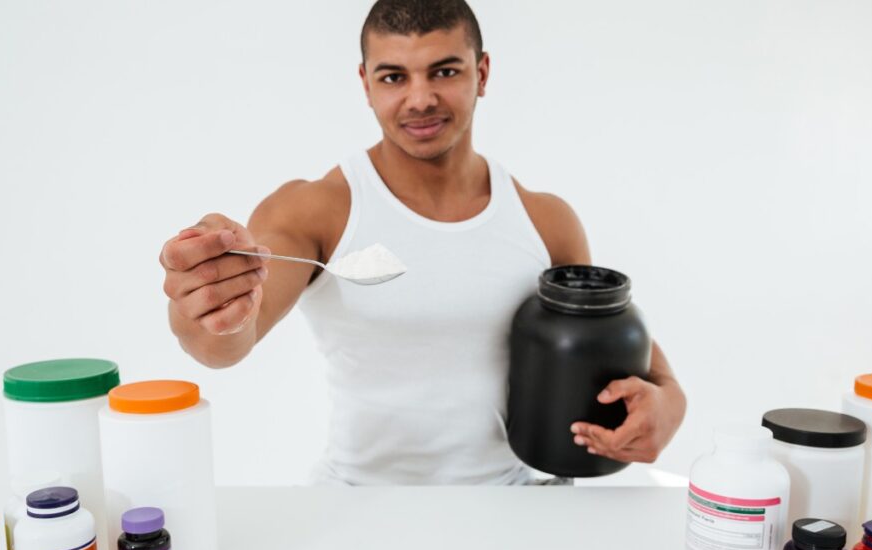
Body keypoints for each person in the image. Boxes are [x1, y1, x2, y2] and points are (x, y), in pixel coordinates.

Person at [159, 0, 686, 485]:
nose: (420, 99)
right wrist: (206, 303)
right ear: (366, 85)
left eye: (445, 71)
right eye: (394, 77)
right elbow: (226, 341)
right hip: (359, 505)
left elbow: (608, 341)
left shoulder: (546, 219)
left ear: (482, 73)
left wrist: (670, 401)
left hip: (515, 504)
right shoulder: (315, 209)